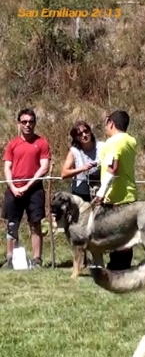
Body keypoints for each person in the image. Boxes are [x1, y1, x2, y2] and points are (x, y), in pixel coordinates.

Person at [2, 108, 51, 269]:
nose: (28, 125)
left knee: (35, 223)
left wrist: (28, 185)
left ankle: (37, 260)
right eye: (24, 122)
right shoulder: (13, 144)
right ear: (19, 124)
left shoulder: (42, 142)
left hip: (34, 189)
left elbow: (44, 167)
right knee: (12, 224)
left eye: (31, 122)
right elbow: (7, 167)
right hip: (13, 188)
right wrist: (13, 187)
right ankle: (10, 259)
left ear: (35, 123)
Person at [92, 110, 137, 270]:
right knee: (126, 234)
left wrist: (101, 192)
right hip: (129, 194)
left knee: (116, 234)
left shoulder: (112, 142)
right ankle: (123, 264)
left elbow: (113, 168)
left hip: (116, 197)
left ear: (110, 122)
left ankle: (117, 265)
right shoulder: (131, 141)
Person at [60, 121, 105, 202]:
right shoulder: (74, 151)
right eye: (80, 134)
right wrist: (82, 169)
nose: (84, 135)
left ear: (90, 131)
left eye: (86, 131)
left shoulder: (102, 146)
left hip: (101, 188)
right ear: (76, 138)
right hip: (81, 191)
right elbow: (64, 174)